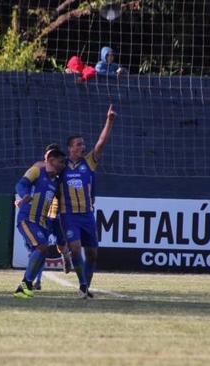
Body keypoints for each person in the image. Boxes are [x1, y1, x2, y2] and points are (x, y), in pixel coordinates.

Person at [58, 104, 117, 298]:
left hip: (87, 215)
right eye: (78, 144)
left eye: (83, 144)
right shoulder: (61, 165)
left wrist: (109, 121)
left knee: (92, 253)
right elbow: (46, 165)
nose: (82, 147)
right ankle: (83, 285)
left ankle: (86, 287)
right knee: (75, 248)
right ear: (69, 148)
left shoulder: (89, 162)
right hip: (69, 215)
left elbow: (100, 144)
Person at [13, 149, 66, 298]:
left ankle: (26, 285)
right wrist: (25, 195)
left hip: (41, 222)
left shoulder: (56, 182)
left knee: (41, 251)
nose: (63, 166)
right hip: (27, 218)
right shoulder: (37, 171)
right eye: (60, 162)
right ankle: (26, 284)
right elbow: (20, 184)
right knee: (41, 247)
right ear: (50, 160)